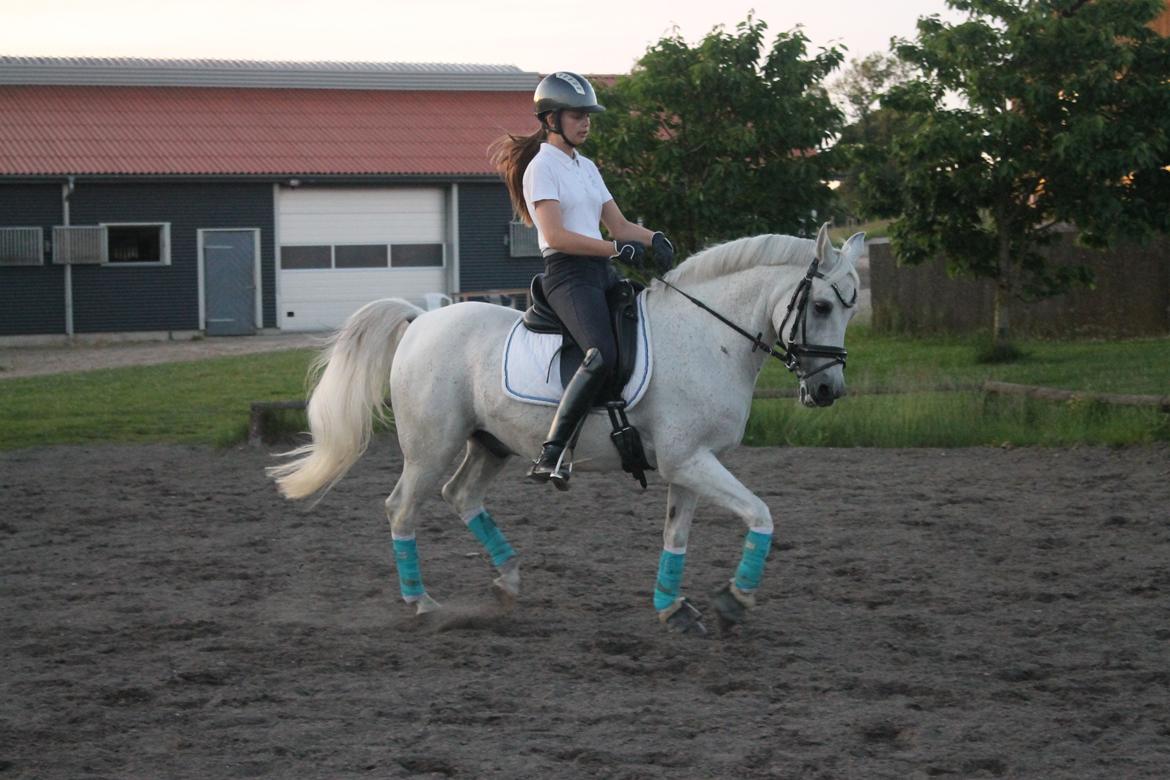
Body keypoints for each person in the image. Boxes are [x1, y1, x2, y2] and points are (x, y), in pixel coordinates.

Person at [490, 71, 675, 489]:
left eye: (588, 115)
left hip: (601, 273)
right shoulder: (541, 168)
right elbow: (555, 235)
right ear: (551, 119)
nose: (586, 122)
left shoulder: (587, 166)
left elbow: (619, 223)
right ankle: (553, 451)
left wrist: (655, 238)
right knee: (601, 354)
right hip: (568, 276)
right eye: (577, 115)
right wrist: (613, 249)